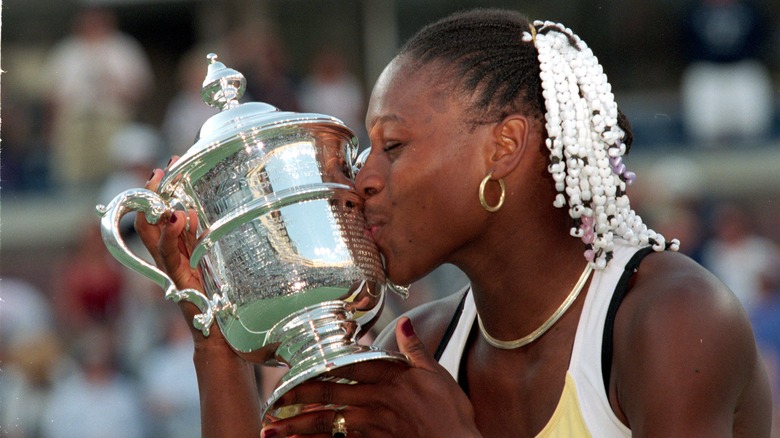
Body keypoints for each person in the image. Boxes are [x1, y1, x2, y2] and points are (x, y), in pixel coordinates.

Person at [135, 8, 771, 437]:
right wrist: (214, 332)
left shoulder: (672, 317)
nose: (362, 181)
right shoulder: (424, 348)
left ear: (505, 146)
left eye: (393, 145)